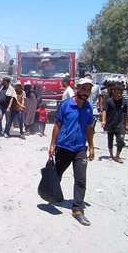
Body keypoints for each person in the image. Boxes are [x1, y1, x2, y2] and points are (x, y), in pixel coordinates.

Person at [48, 77, 95, 226]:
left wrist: (92, 146)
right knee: (57, 175)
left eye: (88, 90)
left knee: (81, 179)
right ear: (77, 89)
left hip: (80, 148)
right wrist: (52, 144)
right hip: (63, 146)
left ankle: (77, 210)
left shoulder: (88, 108)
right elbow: (57, 125)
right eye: (83, 89)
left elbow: (89, 128)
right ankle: (53, 196)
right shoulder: (66, 105)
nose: (85, 92)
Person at [102, 83, 128, 163]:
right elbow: (104, 111)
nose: (119, 95)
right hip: (110, 124)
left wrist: (126, 124)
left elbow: (125, 114)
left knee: (120, 140)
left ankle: (117, 156)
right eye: (117, 93)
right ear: (113, 92)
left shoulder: (124, 102)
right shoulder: (109, 101)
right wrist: (103, 120)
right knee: (110, 139)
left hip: (119, 125)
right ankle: (111, 154)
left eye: (120, 93)